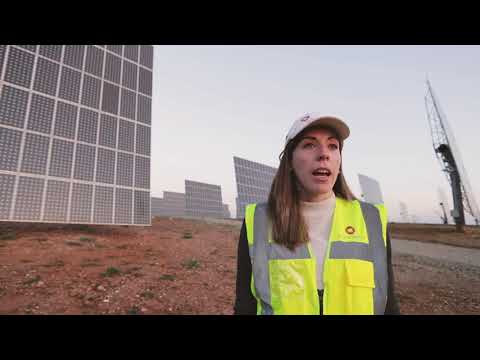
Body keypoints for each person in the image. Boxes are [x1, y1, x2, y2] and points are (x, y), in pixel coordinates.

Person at [234, 113, 400, 315]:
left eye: (333, 146)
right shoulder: (258, 221)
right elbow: (245, 307)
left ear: (339, 163)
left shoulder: (371, 220)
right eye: (309, 145)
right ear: (290, 162)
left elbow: (389, 305)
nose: (324, 154)